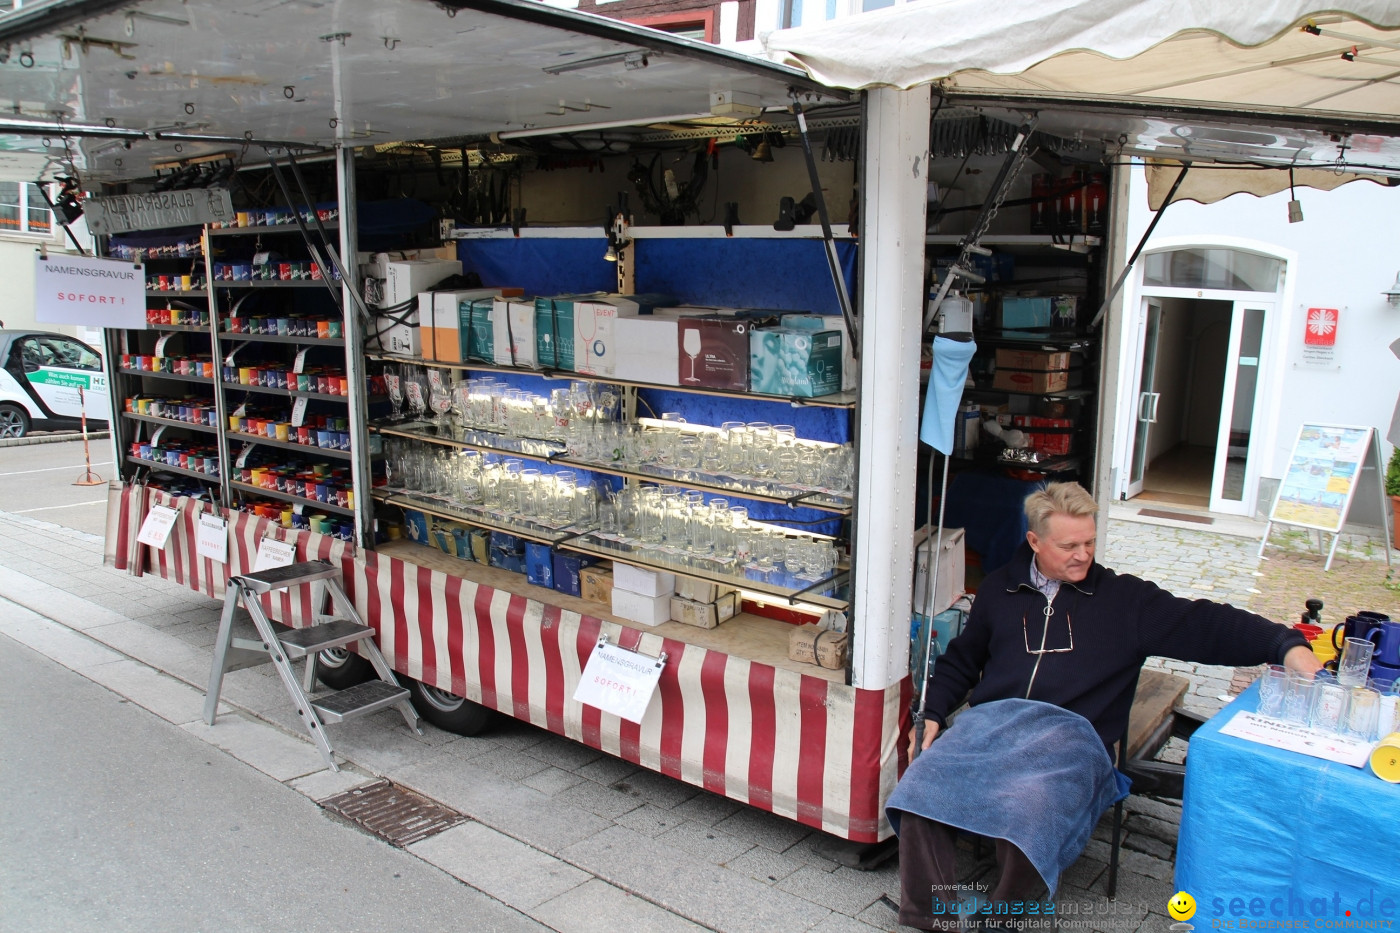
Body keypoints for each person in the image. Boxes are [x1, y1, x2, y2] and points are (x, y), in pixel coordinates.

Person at [887, 482, 1320, 931]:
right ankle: (932, 914)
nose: (1083, 554)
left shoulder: (1125, 602)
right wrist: (933, 712)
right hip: (991, 727)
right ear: (1034, 541)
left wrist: (1283, 644)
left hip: (1071, 737)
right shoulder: (1000, 589)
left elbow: (1206, 622)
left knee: (1030, 810)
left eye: (1090, 542)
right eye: (1069, 545)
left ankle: (1002, 918)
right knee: (919, 789)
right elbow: (962, 660)